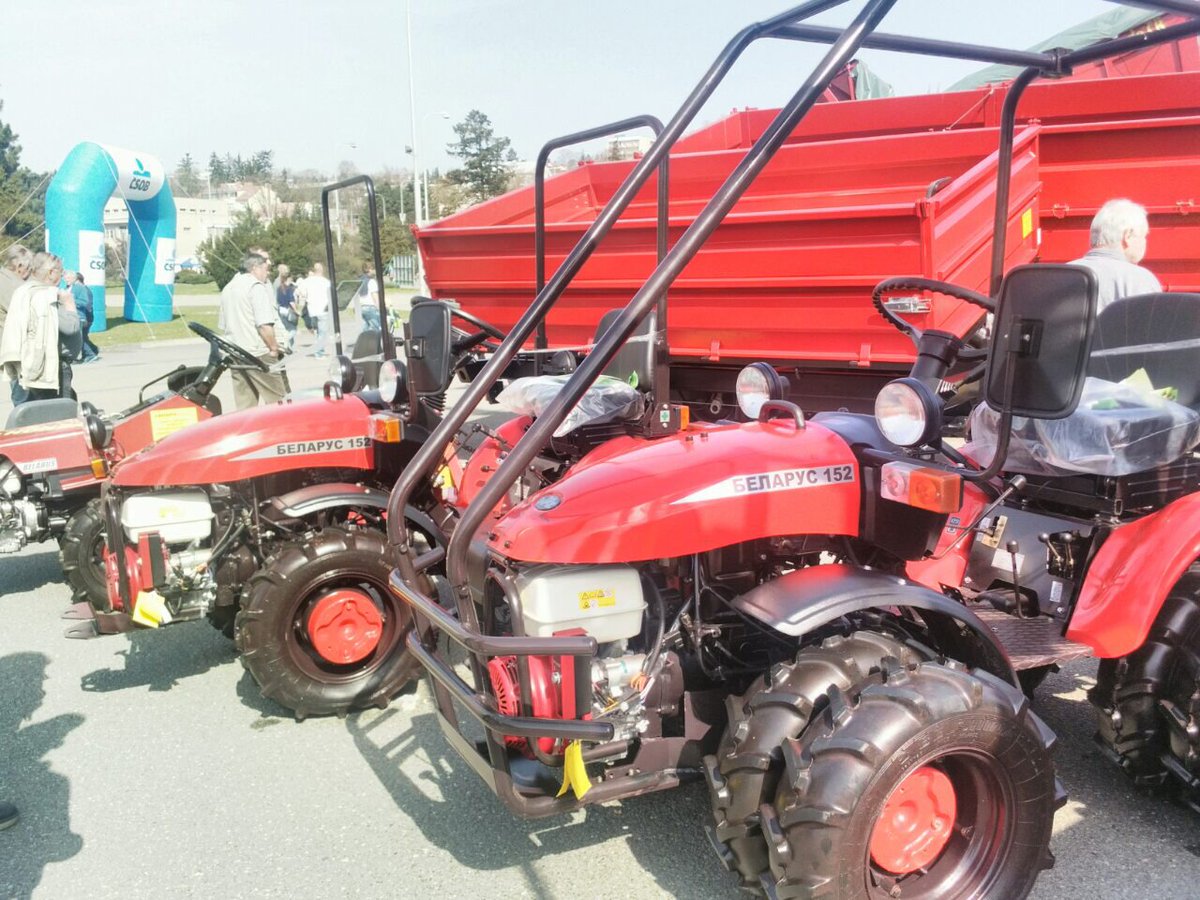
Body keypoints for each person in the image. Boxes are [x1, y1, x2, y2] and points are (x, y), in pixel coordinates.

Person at [0, 252, 80, 403]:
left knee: (30, 410)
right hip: (50, 366)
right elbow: (71, 327)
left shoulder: (23, 291)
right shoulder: (46, 295)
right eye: (61, 271)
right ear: (51, 272)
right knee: (59, 412)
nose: (62, 276)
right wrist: (69, 304)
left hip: (26, 363)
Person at [219, 251, 289, 409]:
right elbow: (264, 324)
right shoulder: (255, 287)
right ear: (255, 268)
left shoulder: (228, 288)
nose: (267, 273)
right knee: (279, 403)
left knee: (245, 405)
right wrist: (274, 348)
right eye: (265, 269)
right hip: (258, 354)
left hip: (236, 352)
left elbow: (223, 324)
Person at [1070, 198, 1162, 312]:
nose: (1145, 242)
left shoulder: (1063, 274)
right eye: (1144, 236)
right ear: (1128, 236)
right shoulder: (1140, 279)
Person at [0, 245, 33, 404]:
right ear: (20, 266)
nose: (31, 272)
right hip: (18, 349)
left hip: (13, 347)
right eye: (29, 267)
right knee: (24, 396)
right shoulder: (10, 285)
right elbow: (26, 313)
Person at [299, 262, 333, 358]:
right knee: (322, 333)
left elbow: (300, 292)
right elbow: (330, 295)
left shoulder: (307, 281)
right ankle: (319, 352)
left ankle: (318, 349)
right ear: (322, 270)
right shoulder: (326, 282)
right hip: (323, 309)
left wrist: (306, 297)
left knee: (318, 332)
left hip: (312, 310)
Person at [66, 271, 100, 362]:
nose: (66, 280)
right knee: (82, 337)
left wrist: (70, 301)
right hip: (75, 316)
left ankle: (90, 353)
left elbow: (87, 304)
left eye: (68, 278)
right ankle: (93, 350)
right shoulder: (69, 288)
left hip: (84, 316)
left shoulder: (84, 289)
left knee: (80, 337)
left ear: (76, 280)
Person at [276, 271, 299, 352]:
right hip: (287, 310)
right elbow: (291, 301)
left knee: (287, 329)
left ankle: (290, 348)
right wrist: (296, 311)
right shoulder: (289, 289)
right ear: (288, 279)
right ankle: (284, 342)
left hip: (281, 310)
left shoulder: (279, 288)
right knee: (293, 330)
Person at [356, 267, 381, 333]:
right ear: (370, 269)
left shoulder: (359, 280)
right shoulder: (371, 281)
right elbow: (374, 296)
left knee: (365, 328)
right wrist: (379, 307)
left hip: (361, 307)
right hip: (370, 307)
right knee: (375, 327)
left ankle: (364, 339)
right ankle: (375, 339)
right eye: (374, 269)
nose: (375, 271)